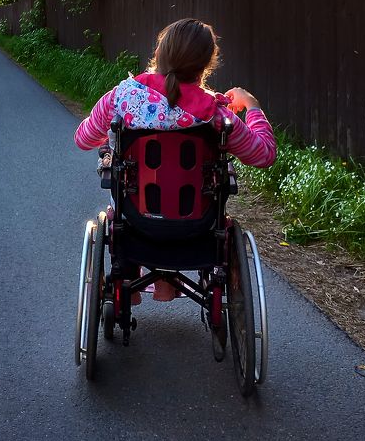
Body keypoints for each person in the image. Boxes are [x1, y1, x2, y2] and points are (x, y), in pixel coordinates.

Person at [74, 18, 276, 301]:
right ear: (206, 65)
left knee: (121, 183)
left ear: (158, 55)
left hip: (136, 220)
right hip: (198, 223)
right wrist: (252, 106)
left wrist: (104, 126)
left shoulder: (122, 98)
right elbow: (265, 154)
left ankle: (129, 281)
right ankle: (167, 283)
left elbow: (83, 139)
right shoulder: (217, 116)